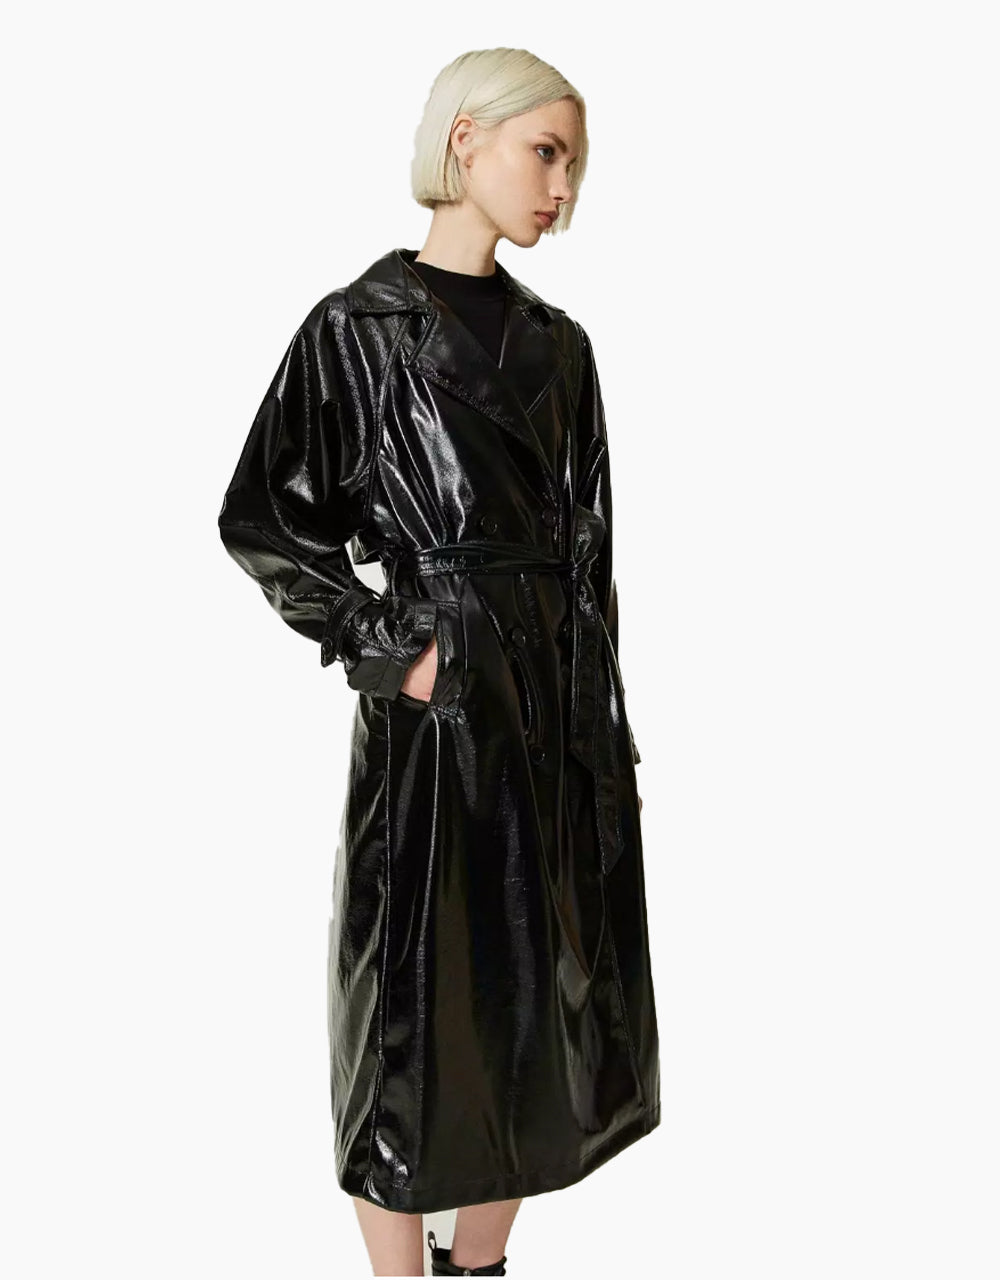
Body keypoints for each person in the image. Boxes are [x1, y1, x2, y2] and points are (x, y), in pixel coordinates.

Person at [217, 47, 660, 1278]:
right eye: (546, 152)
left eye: (574, 165)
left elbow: (590, 555)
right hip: (438, 700)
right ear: (465, 139)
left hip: (550, 703)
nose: (561, 188)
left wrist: (602, 727)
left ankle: (479, 1267)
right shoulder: (356, 329)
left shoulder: (562, 347)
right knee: (410, 998)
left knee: (535, 1001)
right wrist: (390, 648)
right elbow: (264, 520)